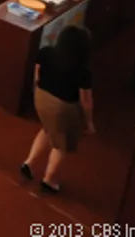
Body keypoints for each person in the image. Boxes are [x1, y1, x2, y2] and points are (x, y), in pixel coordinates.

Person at [20, 25, 94, 194]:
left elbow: (37, 75)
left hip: (41, 97)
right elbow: (86, 101)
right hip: (62, 107)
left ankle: (29, 163)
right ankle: (49, 180)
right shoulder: (82, 71)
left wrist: (36, 93)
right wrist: (88, 123)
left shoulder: (45, 52)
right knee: (61, 144)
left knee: (47, 129)